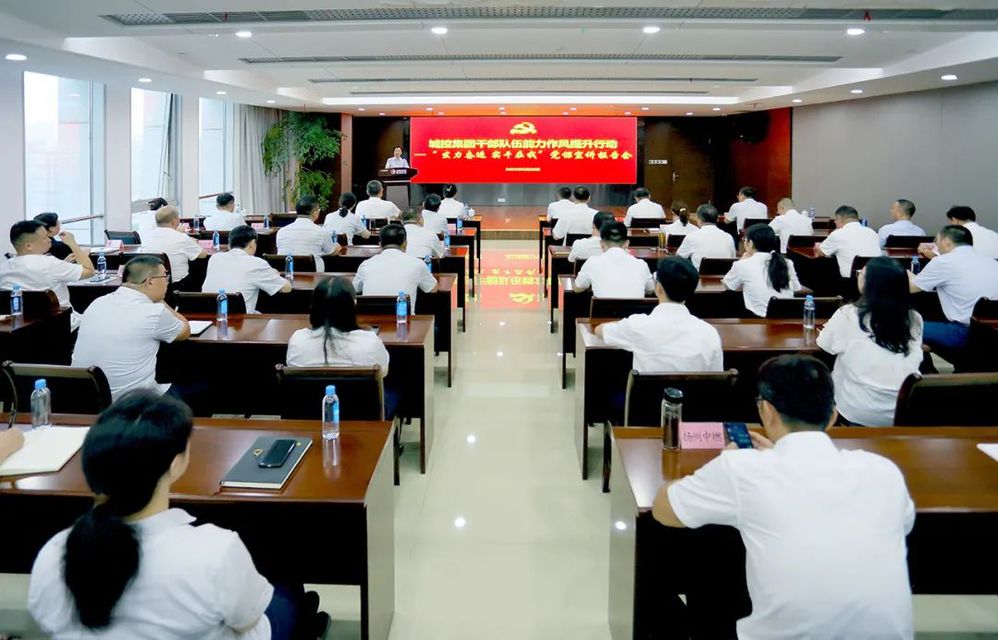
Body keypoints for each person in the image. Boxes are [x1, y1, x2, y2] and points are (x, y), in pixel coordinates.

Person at [652, 354, 915, 638]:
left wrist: (722, 464)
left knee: (700, 565)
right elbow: (902, 525)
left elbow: (663, 509)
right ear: (832, 416)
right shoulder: (883, 472)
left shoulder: (742, 469)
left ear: (766, 411)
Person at [28, 392, 326, 640]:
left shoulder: (53, 553)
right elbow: (249, 620)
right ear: (176, 464)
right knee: (284, 591)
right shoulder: (215, 550)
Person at [818, 257, 923, 425]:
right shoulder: (914, 319)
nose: (859, 275)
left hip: (855, 410)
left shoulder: (848, 315)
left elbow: (824, 345)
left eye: (862, 273)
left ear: (871, 283)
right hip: (900, 411)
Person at [72, 256, 190, 401]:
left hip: (84, 398)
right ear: (150, 282)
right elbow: (185, 331)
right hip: (133, 403)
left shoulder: (97, 303)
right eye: (165, 276)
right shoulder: (154, 313)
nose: (167, 282)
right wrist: (160, 301)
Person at [595, 257, 723, 373]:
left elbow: (599, 330)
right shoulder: (709, 333)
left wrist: (620, 323)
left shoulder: (638, 325)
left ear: (659, 288)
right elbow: (716, 379)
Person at [910, 224, 998, 350]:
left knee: (899, 326)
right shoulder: (992, 262)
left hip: (966, 333)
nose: (936, 246)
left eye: (937, 241)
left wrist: (905, 274)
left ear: (946, 241)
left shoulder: (943, 261)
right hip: (993, 332)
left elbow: (911, 288)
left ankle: (924, 359)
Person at [0, 220, 95, 331]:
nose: (49, 240)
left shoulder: (3, 267)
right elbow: (89, 271)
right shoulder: (50, 263)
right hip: (63, 326)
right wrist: (72, 243)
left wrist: (63, 263)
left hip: (22, 329)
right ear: (28, 245)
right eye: (45, 237)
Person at [287, 276, 390, 374]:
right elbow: (383, 372)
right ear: (352, 306)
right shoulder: (370, 342)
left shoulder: (298, 341)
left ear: (313, 307)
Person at [201, 225, 291, 314]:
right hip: (241, 319)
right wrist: (273, 274)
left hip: (209, 315)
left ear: (229, 245)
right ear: (252, 243)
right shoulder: (257, 263)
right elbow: (286, 288)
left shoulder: (214, 258)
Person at [723, 224, 802, 317]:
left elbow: (727, 285)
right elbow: (797, 288)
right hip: (788, 317)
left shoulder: (742, 264)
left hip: (759, 318)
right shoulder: (787, 262)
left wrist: (742, 260)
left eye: (744, 240)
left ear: (750, 243)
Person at [353, 223, 438, 304]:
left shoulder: (365, 265)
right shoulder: (417, 264)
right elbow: (433, 289)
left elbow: (355, 289)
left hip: (369, 314)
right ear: (405, 244)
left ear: (380, 245)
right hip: (402, 314)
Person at [574, 222, 653, 298]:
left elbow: (577, 288)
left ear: (601, 243)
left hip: (603, 308)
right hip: (635, 308)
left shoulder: (592, 262)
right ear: (627, 243)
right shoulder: (641, 265)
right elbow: (650, 290)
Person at [139, 206, 206, 285]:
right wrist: (192, 241)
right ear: (174, 222)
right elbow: (203, 255)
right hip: (178, 284)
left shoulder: (146, 237)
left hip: (151, 283)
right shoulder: (181, 237)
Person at [275, 196, 341, 272]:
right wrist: (337, 246)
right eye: (318, 210)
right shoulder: (321, 232)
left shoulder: (281, 232)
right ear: (315, 212)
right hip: (313, 274)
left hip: (286, 273)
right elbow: (332, 251)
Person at [817, 205, 881, 278]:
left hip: (851, 281)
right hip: (876, 278)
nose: (834, 222)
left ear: (840, 220)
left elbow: (821, 252)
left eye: (836, 219)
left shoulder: (837, 234)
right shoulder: (873, 233)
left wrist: (818, 245)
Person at [676, 204, 736, 269]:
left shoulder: (691, 237)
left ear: (699, 220)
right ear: (717, 220)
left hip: (698, 275)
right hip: (724, 275)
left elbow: (678, 258)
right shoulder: (728, 237)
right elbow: (732, 258)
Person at [934, 205, 998, 258]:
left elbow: (939, 257)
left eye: (949, 221)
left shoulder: (957, 235)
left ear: (954, 220)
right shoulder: (993, 234)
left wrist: (927, 251)